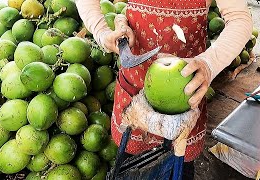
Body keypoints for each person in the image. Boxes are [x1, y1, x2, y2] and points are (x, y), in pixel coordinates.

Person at [76, 0, 253, 179]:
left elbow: (239, 19)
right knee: (131, 168)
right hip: (134, 94)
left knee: (178, 169)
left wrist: (209, 63)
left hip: (183, 101)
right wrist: (101, 31)